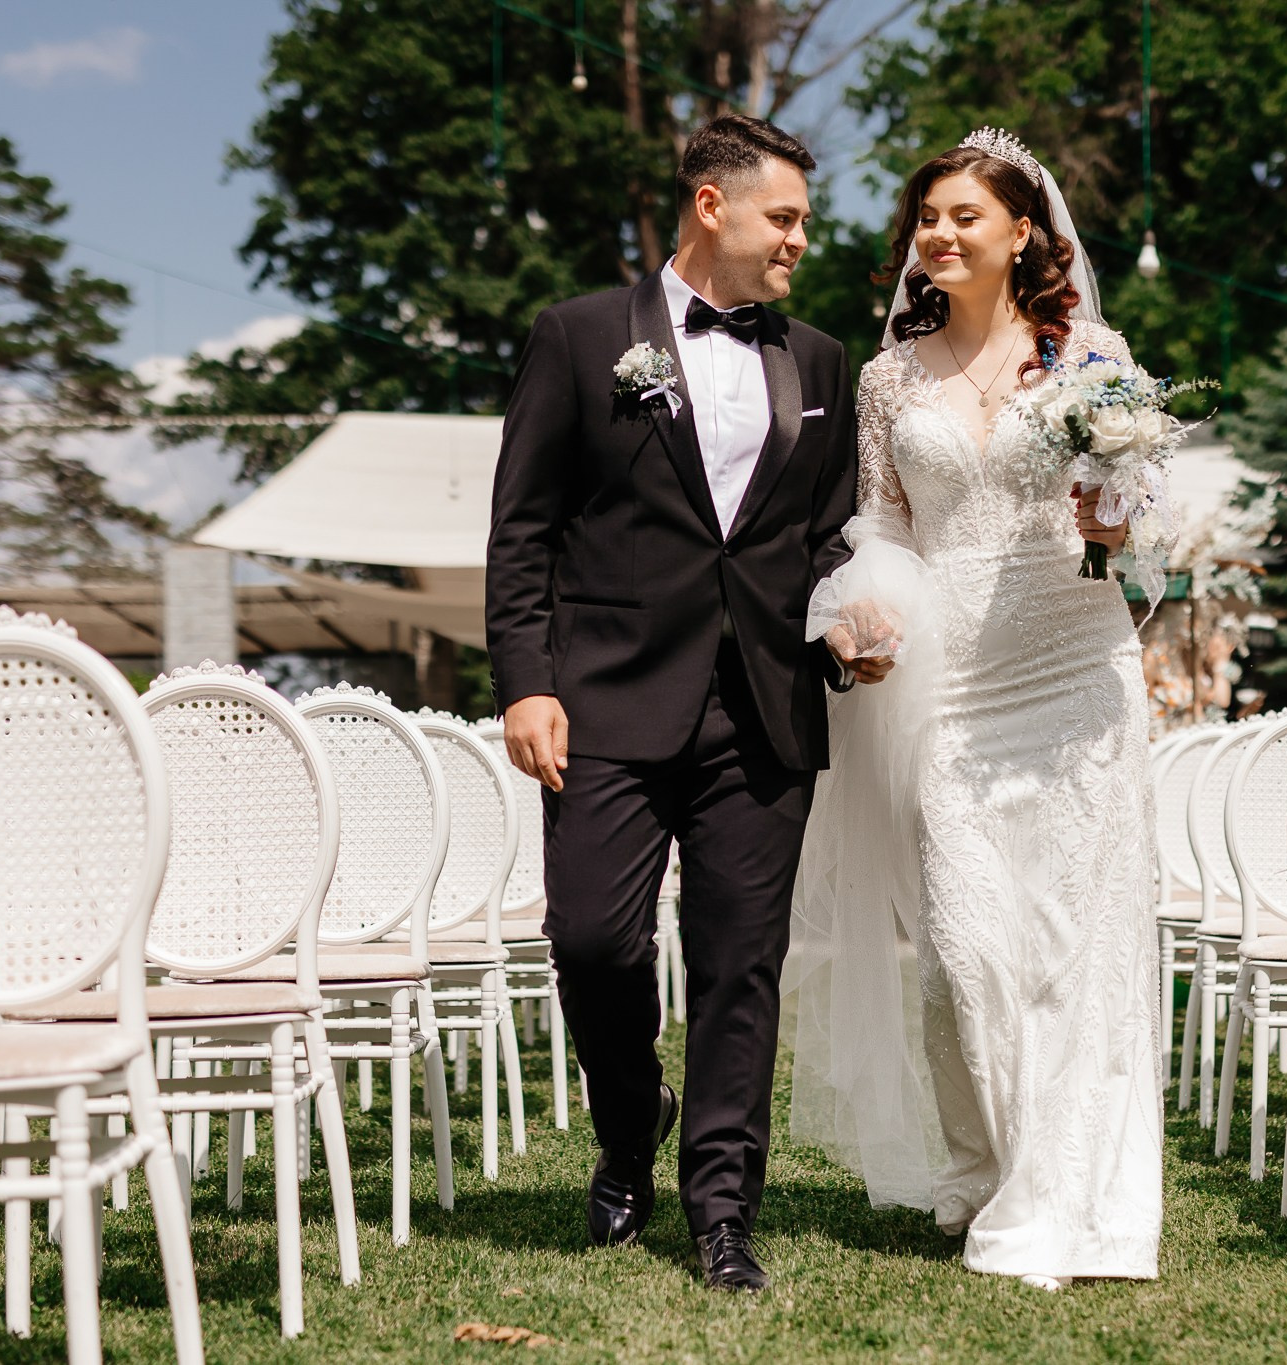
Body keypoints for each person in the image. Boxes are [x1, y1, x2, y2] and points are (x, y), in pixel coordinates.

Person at [484, 113, 885, 1294]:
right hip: (603, 701)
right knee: (594, 943)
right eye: (786, 216)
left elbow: (823, 539)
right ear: (711, 204)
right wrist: (527, 682)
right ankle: (627, 1124)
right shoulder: (576, 338)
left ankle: (722, 1213)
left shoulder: (819, 365)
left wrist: (848, 620)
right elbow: (521, 532)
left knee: (737, 968)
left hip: (763, 710)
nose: (801, 240)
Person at [786, 129, 1161, 1292]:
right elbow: (882, 524)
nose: (937, 237)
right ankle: (994, 1160)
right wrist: (863, 611)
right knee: (961, 950)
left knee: (1074, 945)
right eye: (927, 219)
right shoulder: (887, 379)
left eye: (963, 217)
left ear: (1022, 236)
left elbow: (1138, 498)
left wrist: (1119, 517)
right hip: (952, 683)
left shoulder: (1090, 355)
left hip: (1075, 669)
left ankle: (1068, 1197)